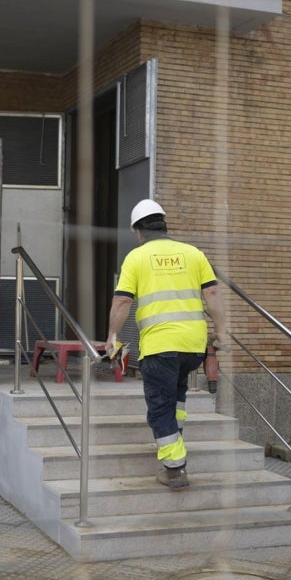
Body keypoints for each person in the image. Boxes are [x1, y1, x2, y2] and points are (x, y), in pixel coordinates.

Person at [107, 199, 227, 490]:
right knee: (177, 396)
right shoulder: (193, 254)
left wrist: (112, 337)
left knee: (160, 406)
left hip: (160, 346)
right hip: (192, 345)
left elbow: (123, 300)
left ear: (138, 231)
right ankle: (175, 439)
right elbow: (212, 295)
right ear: (163, 225)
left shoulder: (136, 258)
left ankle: (174, 469)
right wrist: (221, 332)